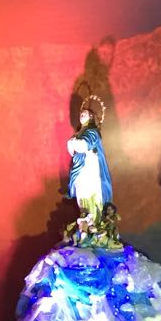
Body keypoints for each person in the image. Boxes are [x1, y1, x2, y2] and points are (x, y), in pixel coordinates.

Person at [66, 95, 113, 238]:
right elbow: (72, 149)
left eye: (85, 113)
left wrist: (74, 143)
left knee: (92, 193)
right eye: (81, 113)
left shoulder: (92, 132)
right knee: (82, 193)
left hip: (91, 169)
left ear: (91, 117)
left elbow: (83, 145)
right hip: (81, 169)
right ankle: (84, 223)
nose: (82, 115)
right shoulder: (78, 134)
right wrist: (73, 143)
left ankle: (95, 223)